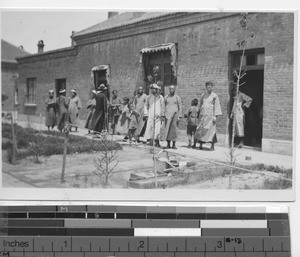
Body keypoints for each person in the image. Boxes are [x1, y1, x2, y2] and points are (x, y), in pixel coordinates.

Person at [195, 81, 222, 151]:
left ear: (212, 87)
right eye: (208, 87)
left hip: (211, 116)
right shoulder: (203, 95)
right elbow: (200, 104)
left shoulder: (214, 96)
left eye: (210, 87)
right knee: (201, 130)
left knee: (211, 131)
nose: (209, 89)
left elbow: (217, 106)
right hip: (203, 116)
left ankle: (212, 146)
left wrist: (215, 116)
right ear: (206, 88)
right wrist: (198, 111)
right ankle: (200, 144)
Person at [160, 85, 182, 149]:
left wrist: (179, 116)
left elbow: (180, 107)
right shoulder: (166, 97)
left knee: (174, 130)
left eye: (173, 89)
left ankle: (174, 144)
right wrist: (162, 114)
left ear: (175, 90)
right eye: (170, 89)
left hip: (175, 116)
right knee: (167, 130)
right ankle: (168, 144)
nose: (172, 90)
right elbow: (163, 106)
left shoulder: (177, 98)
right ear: (169, 90)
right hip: (167, 116)